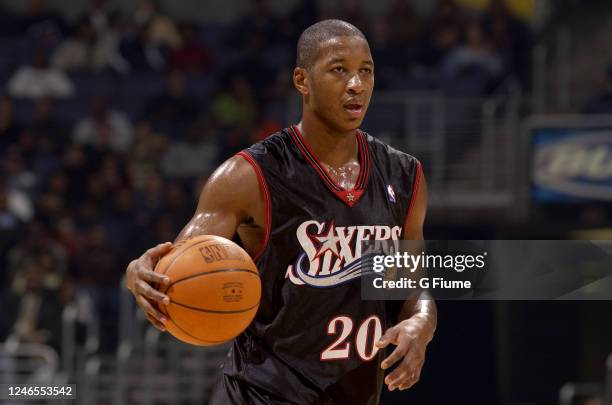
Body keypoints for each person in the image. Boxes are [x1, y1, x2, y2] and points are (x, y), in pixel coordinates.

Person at [125, 19, 436, 404]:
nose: (356, 84)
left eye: (365, 71)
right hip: (260, 394)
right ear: (302, 80)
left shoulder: (405, 176)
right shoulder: (247, 176)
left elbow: (412, 284)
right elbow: (178, 270)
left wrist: (420, 324)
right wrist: (139, 273)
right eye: (339, 69)